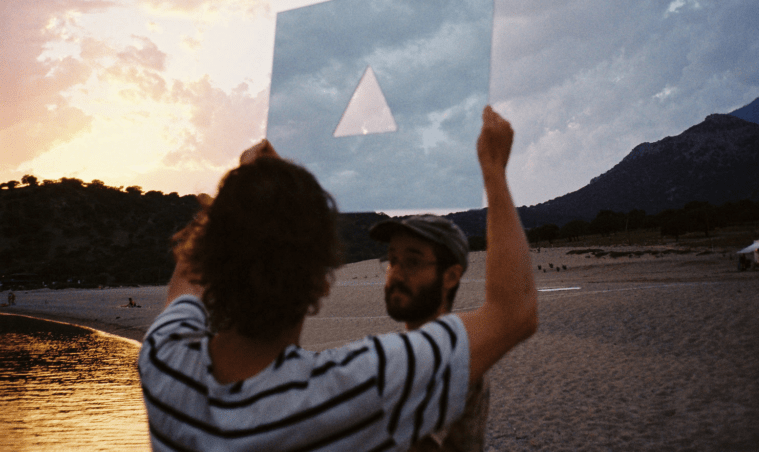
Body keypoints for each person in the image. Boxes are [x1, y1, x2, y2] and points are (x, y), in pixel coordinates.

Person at [138, 106, 537, 451]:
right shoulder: (347, 392)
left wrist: (248, 192)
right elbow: (513, 312)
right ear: (323, 282)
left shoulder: (164, 359)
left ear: (209, 257)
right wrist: (494, 171)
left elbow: (184, 284)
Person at [370, 214, 490, 452]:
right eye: (392, 260)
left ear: (451, 276)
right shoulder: (415, 348)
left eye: (412, 262)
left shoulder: (447, 354)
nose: (395, 274)